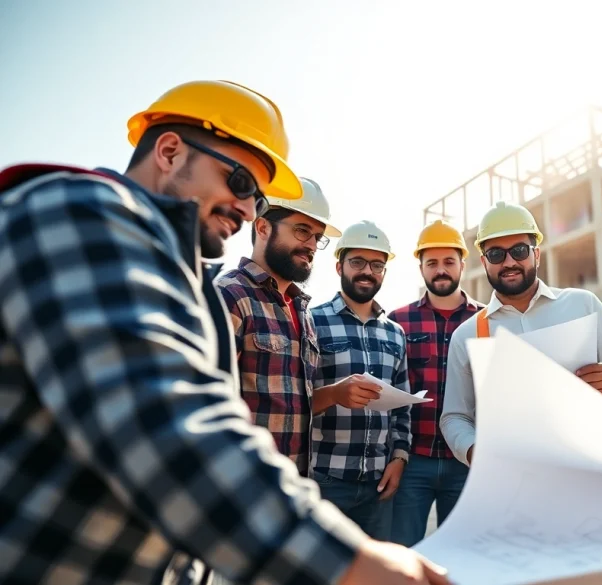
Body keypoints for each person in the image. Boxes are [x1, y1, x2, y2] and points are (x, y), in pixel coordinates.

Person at [0, 80, 449, 585]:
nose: (248, 209)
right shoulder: (80, 213)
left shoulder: (180, 274)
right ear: (169, 151)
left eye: (257, 197)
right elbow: (166, 423)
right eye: (239, 182)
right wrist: (346, 561)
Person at [440, 201, 602, 465]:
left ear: (536, 254)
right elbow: (455, 416)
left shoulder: (582, 305)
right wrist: (474, 450)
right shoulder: (467, 335)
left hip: (590, 464)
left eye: (519, 250)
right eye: (496, 255)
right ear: (483, 262)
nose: (509, 262)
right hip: (515, 477)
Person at [216, 177, 342, 476]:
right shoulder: (229, 297)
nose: (311, 244)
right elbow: (208, 410)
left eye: (317, 236)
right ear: (262, 227)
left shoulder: (302, 310)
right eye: (302, 231)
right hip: (244, 486)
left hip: (294, 485)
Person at [310, 220, 411, 542]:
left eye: (377, 265)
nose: (367, 271)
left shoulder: (395, 333)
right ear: (339, 265)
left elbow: (403, 409)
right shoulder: (311, 321)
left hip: (378, 485)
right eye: (357, 262)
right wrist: (335, 393)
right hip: (325, 482)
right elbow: (295, 400)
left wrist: (399, 458)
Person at [388, 220, 485, 546]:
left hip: (468, 462)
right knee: (405, 555)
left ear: (462, 264)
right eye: (432, 263)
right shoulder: (397, 321)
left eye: (448, 262)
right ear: (421, 268)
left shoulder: (486, 321)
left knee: (462, 559)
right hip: (413, 460)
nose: (440, 270)